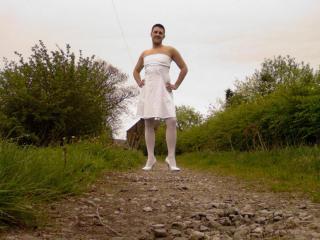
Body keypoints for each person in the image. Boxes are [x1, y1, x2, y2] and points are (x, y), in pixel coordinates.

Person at [133, 23, 188, 171]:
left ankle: (171, 158)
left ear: (164, 35)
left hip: (164, 90)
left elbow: (184, 68)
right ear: (150, 34)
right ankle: (151, 158)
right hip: (148, 91)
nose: (157, 34)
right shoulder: (145, 53)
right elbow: (136, 71)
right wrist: (139, 82)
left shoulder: (170, 50)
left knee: (171, 120)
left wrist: (176, 84)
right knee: (148, 122)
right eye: (155, 32)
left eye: (160, 32)